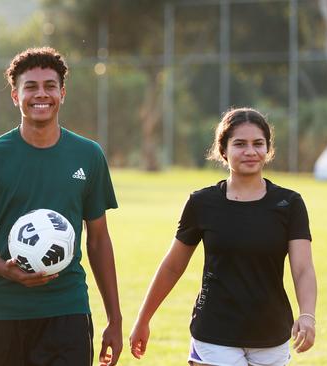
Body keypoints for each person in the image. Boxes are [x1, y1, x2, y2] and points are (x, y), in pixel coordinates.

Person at [0, 47, 123, 366]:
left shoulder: (88, 155)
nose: (40, 94)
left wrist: (115, 319)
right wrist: (5, 269)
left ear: (62, 93)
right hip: (5, 309)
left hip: (67, 311)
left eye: (49, 86)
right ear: (15, 95)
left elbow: (98, 239)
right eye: (31, 87)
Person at [129, 107, 317, 366]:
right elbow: (173, 266)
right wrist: (143, 320)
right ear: (223, 151)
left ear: (268, 150)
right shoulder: (202, 202)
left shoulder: (290, 203)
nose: (250, 151)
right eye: (239, 144)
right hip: (214, 331)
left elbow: (303, 268)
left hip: (271, 332)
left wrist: (307, 315)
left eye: (258, 144)